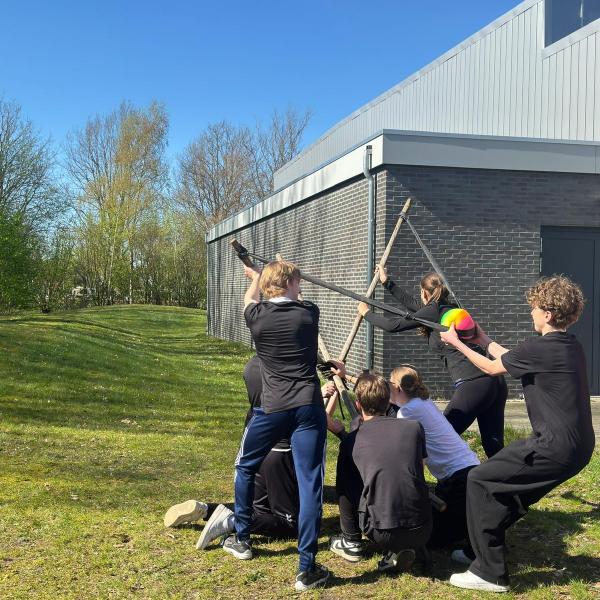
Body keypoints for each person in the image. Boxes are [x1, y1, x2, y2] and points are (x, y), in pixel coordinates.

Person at [440, 275, 595, 592]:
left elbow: (491, 368)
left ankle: (489, 573)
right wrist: (482, 339)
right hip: (576, 447)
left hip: (553, 446)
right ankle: (477, 549)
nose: (531, 313)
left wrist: (457, 343)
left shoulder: (542, 348)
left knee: (480, 479)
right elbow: (511, 356)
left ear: (547, 314)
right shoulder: (568, 345)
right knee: (511, 494)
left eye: (534, 308)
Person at [232, 260, 342, 592]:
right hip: (308, 407)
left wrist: (255, 279)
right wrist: (265, 277)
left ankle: (242, 539)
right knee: (310, 485)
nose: (301, 286)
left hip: (272, 408)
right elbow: (294, 302)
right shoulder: (309, 313)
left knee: (245, 467)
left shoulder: (256, 316)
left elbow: (249, 299)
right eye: (298, 281)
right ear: (290, 283)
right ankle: (306, 569)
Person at [163, 357, 341, 546]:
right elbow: (304, 413)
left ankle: (206, 509)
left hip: (256, 448)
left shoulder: (253, 366)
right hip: (281, 455)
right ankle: (231, 521)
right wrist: (323, 392)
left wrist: (328, 389)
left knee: (258, 509)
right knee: (292, 525)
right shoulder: (291, 367)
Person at [358, 269, 507, 458]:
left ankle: (439, 473)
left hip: (474, 384)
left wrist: (366, 313)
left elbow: (392, 325)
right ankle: (516, 476)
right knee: (493, 447)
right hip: (494, 382)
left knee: (441, 437)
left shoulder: (434, 310)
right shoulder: (449, 308)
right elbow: (414, 306)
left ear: (424, 292)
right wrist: (387, 283)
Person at [328, 373, 432, 571]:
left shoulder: (353, 439)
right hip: (423, 527)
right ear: (389, 401)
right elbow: (420, 466)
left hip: (381, 531)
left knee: (346, 473)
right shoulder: (414, 428)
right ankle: (401, 548)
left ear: (358, 405)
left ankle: (351, 540)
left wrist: (342, 434)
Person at [388, 364, 480, 559]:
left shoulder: (406, 413)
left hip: (457, 478)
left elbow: (407, 451)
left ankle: (468, 539)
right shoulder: (423, 401)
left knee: (432, 539)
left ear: (397, 388)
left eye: (390, 384)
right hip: (468, 467)